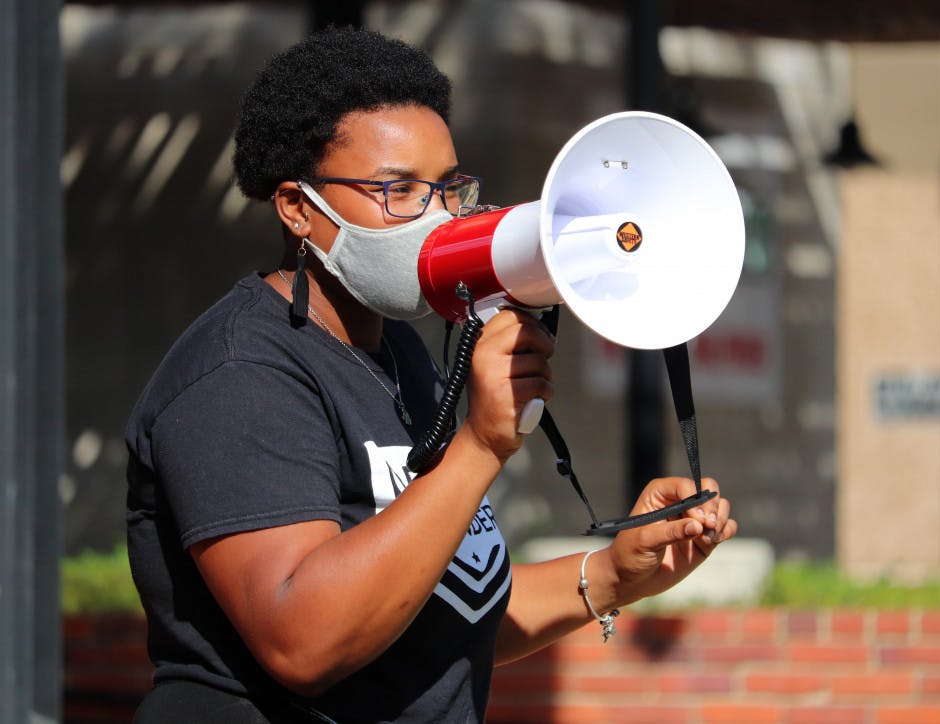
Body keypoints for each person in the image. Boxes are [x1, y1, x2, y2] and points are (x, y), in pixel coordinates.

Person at [126, 24, 737, 724]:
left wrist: (612, 574)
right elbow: (306, 641)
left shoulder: (405, 357)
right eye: (399, 191)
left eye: (448, 188)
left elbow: (445, 616)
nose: (439, 216)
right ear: (297, 208)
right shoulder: (239, 376)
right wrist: (477, 449)